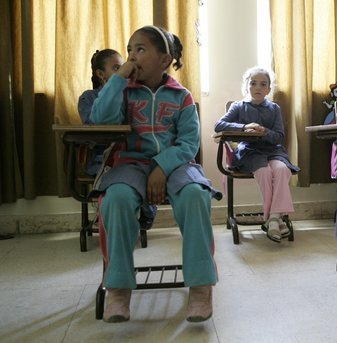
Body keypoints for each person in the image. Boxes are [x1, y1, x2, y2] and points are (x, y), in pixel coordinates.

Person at [90, 26, 220, 323]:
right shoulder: (122, 90)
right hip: (131, 163)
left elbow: (188, 143)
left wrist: (161, 167)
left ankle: (201, 287)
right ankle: (119, 288)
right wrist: (117, 80)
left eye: (141, 49)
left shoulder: (181, 96)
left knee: (195, 196)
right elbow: (100, 121)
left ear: (164, 59)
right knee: (117, 199)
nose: (132, 56)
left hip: (175, 165)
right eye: (130, 49)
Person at [214, 66, 300, 243]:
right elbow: (219, 125)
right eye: (253, 83)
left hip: (273, 152)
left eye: (263, 84)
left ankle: (273, 219)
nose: (258, 88)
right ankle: (275, 220)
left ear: (269, 89)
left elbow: (279, 136)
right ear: (246, 87)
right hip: (250, 153)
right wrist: (245, 127)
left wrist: (264, 132)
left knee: (282, 170)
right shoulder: (239, 106)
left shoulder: (274, 108)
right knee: (264, 172)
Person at [78, 49, 157, 230]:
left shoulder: (130, 94)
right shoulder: (88, 98)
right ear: (100, 74)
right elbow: (94, 125)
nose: (122, 71)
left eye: (122, 67)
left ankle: (142, 210)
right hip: (102, 157)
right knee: (116, 182)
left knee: (139, 169)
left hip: (128, 153)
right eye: (116, 68)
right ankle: (111, 213)